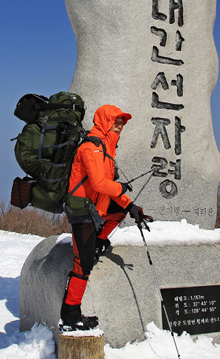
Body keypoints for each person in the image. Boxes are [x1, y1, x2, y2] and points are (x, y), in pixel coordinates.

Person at [60, 104, 152, 330]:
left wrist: (131, 207)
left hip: (96, 209)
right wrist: (121, 189)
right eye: (116, 121)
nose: (120, 126)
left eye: (122, 122)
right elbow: (100, 184)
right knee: (83, 265)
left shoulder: (106, 148)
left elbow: (107, 190)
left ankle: (99, 242)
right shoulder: (91, 148)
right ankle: (71, 316)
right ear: (104, 121)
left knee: (120, 211)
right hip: (83, 212)